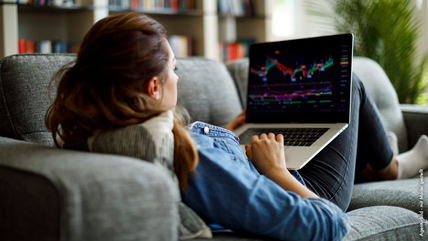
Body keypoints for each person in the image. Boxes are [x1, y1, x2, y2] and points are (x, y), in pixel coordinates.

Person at [45, 12, 428, 241]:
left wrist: (227, 135)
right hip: (300, 184)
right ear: (153, 86)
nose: (178, 77)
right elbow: (326, 223)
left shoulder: (99, 132)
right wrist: (275, 169)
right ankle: (391, 166)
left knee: (323, 123)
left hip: (255, 158)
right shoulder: (193, 162)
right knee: (352, 86)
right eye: (174, 69)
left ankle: (368, 160)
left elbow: (210, 165)